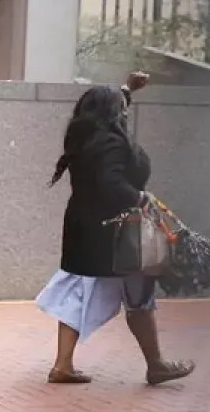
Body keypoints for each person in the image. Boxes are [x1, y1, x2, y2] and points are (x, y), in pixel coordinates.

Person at [36, 73, 195, 386]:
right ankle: (156, 364)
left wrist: (126, 90)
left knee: (80, 292)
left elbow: (105, 113)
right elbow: (110, 183)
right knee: (139, 296)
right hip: (116, 232)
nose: (125, 113)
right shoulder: (109, 141)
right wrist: (139, 197)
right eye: (121, 108)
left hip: (86, 228)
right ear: (111, 113)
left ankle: (63, 365)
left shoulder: (85, 136)